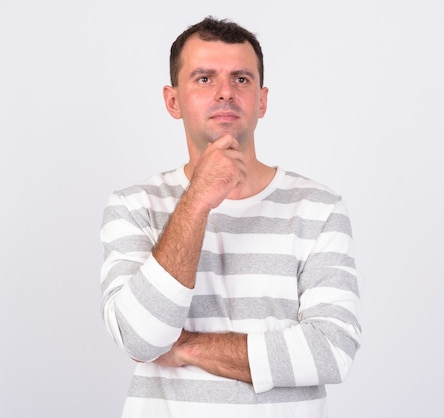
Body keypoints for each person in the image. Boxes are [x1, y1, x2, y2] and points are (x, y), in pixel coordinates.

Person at [100, 16, 361, 417]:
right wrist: (199, 199)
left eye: (241, 79)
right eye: (204, 79)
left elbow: (330, 351)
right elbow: (141, 339)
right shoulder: (134, 205)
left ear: (262, 100)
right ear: (173, 101)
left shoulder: (317, 206)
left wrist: (186, 345)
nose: (225, 93)